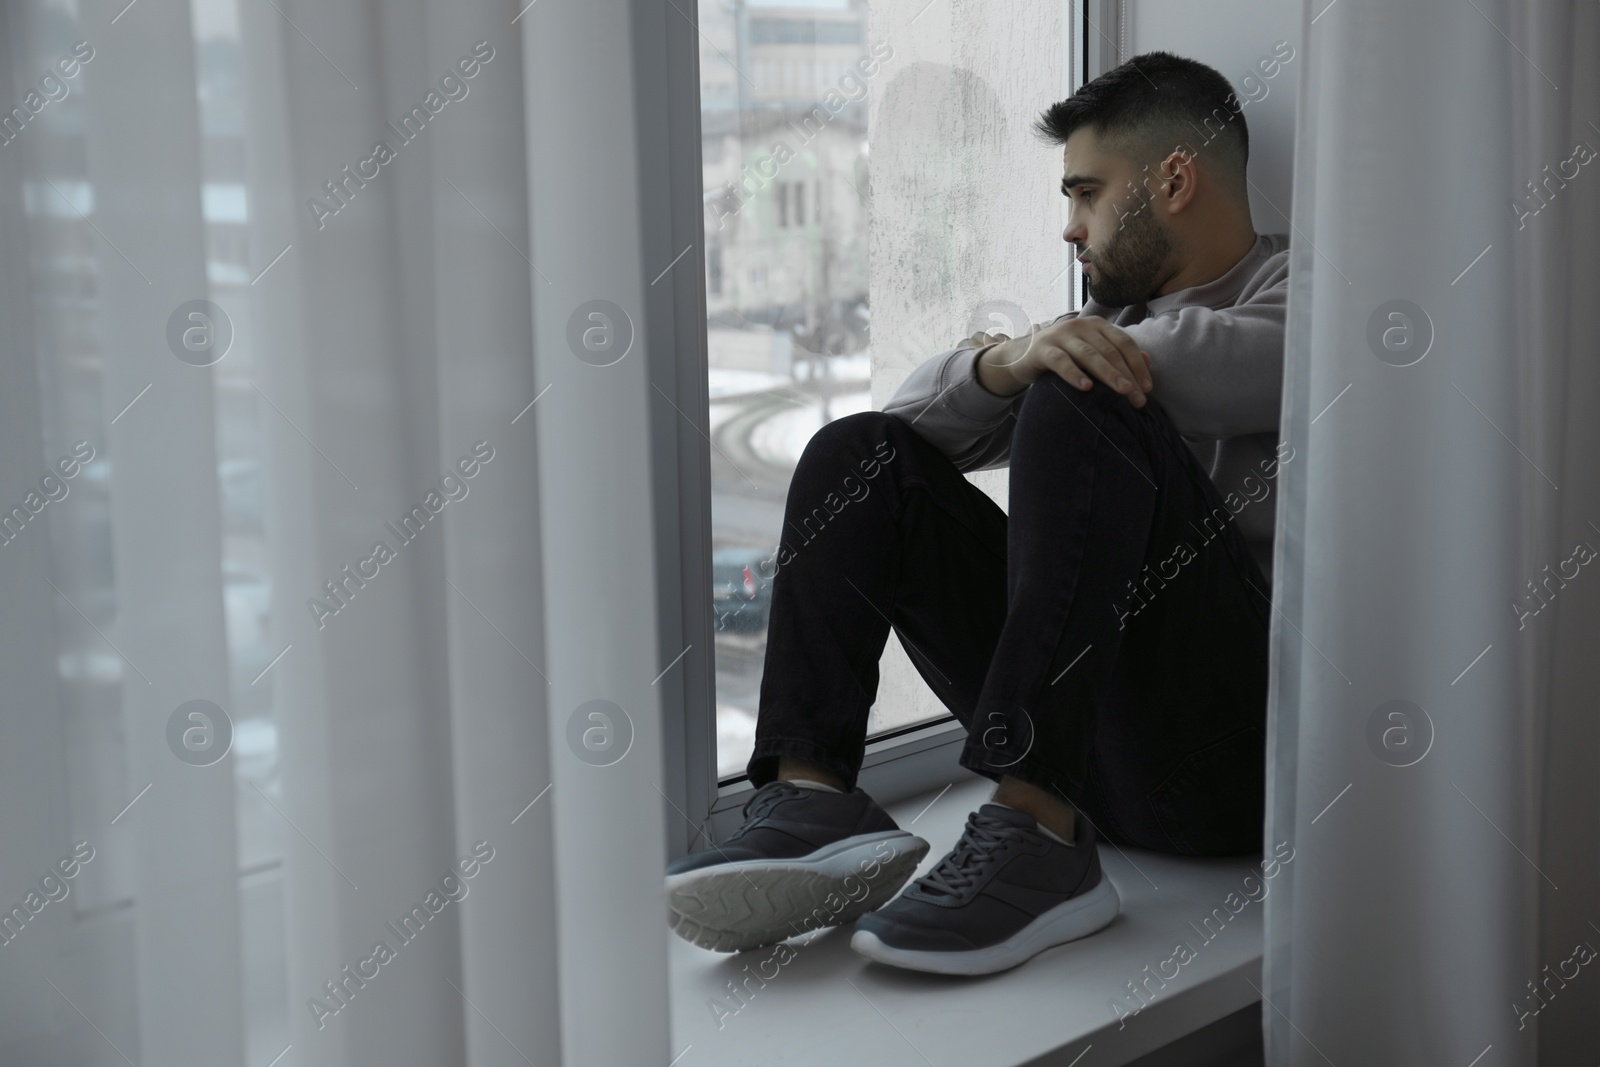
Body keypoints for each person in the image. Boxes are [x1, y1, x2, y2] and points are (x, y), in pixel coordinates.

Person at [666, 51, 1292, 976]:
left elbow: (1198, 364)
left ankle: (1039, 828)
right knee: (858, 453)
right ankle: (811, 794)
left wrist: (1055, 354)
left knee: (1082, 395)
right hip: (1101, 755)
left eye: (1085, 193)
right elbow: (911, 426)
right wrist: (1009, 360)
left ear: (1173, 178)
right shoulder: (1104, 331)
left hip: (1227, 767)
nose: (1070, 229)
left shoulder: (1315, 301)